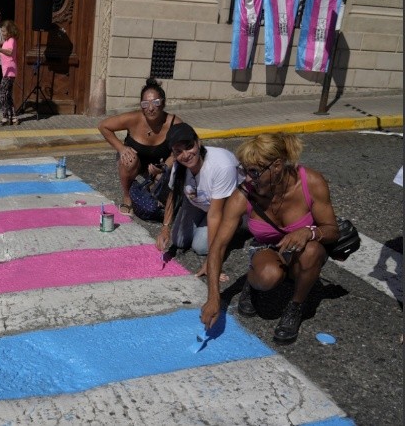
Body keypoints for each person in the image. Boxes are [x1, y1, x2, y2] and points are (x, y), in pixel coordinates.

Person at [201, 133, 340, 344]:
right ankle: (253, 282)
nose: (247, 178)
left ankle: (295, 306)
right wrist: (214, 298)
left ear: (276, 166)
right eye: (244, 171)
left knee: (312, 251)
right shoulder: (243, 195)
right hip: (268, 248)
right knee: (267, 276)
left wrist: (309, 232)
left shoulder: (311, 182)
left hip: (303, 250)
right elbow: (218, 246)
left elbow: (332, 230)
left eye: (254, 172)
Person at [155, 123, 241, 281]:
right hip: (199, 201)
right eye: (178, 152)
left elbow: (215, 215)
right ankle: (209, 228)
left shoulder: (221, 166)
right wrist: (165, 228)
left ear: (198, 142)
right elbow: (172, 195)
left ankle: (236, 228)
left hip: (223, 207)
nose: (186, 155)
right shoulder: (179, 165)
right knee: (179, 241)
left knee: (201, 247)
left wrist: (211, 262)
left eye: (189, 147)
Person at [97, 78, 183, 216]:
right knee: (128, 159)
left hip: (157, 166)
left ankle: (150, 185)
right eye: (145, 103)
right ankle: (127, 196)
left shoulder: (174, 123)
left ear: (163, 103)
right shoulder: (133, 118)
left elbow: (180, 151)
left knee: (165, 201)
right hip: (134, 162)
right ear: (141, 106)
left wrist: (164, 167)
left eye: (155, 102)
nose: (150, 108)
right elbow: (103, 126)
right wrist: (121, 148)